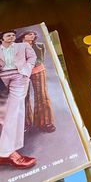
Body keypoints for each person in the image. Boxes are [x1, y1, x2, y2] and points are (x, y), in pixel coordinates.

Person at [0, 30, 37, 169]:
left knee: (14, 111)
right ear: (2, 38)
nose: (12, 37)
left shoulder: (22, 46)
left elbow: (32, 57)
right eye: (8, 35)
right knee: (3, 113)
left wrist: (26, 71)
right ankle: (7, 152)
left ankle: (8, 152)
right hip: (2, 80)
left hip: (19, 77)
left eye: (13, 35)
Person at [17, 31, 56, 133]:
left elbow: (41, 59)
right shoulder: (15, 48)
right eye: (29, 34)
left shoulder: (40, 46)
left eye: (33, 34)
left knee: (42, 95)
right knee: (23, 97)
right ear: (22, 36)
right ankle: (25, 123)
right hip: (22, 73)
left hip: (38, 70)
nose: (32, 36)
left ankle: (45, 122)